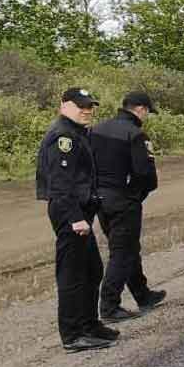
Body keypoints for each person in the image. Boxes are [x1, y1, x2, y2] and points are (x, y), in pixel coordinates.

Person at [36, 88, 118, 352]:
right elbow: (60, 185)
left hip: (79, 213)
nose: (86, 110)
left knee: (92, 270)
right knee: (72, 274)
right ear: (63, 105)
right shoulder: (63, 137)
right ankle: (73, 335)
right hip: (69, 213)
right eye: (80, 106)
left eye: (90, 106)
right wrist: (75, 218)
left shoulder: (76, 133)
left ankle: (90, 325)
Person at [90, 92, 167, 323]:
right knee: (122, 253)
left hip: (99, 199)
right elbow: (145, 174)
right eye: (147, 112)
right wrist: (135, 197)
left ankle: (143, 295)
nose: (146, 116)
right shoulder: (136, 134)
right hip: (123, 200)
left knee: (128, 248)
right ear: (141, 109)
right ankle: (109, 306)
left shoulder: (94, 130)